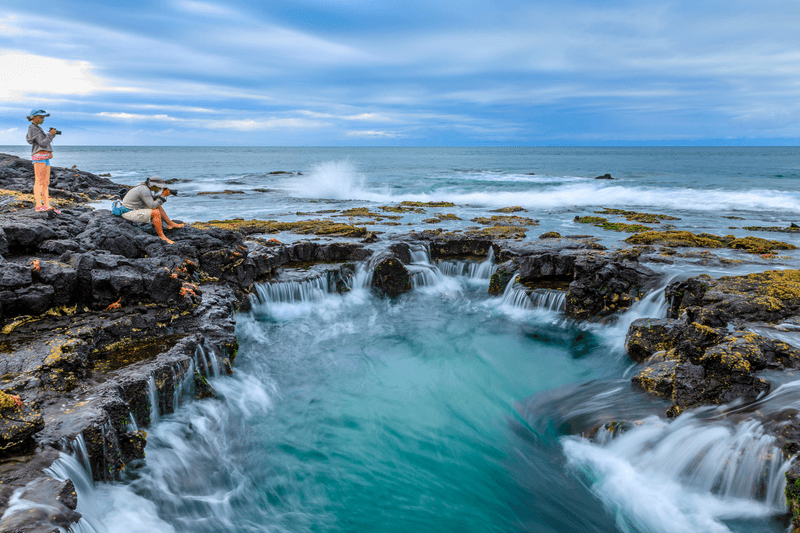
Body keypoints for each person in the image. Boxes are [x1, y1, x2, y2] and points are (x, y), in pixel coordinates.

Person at [120, 176, 184, 244]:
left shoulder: (143, 186)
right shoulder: (144, 190)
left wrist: (163, 195)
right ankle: (162, 237)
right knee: (155, 212)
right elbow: (152, 205)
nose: (159, 189)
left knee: (158, 207)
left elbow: (151, 199)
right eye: (159, 187)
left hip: (133, 209)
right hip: (128, 212)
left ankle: (170, 224)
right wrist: (163, 196)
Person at [25, 109, 60, 213]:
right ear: (34, 117)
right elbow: (42, 143)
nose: (43, 119)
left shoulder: (37, 128)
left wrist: (50, 135)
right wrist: (50, 135)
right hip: (39, 158)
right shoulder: (32, 128)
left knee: (45, 182)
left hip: (44, 158)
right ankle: (38, 206)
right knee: (39, 182)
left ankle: (46, 205)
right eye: (41, 117)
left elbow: (43, 143)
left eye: (43, 117)